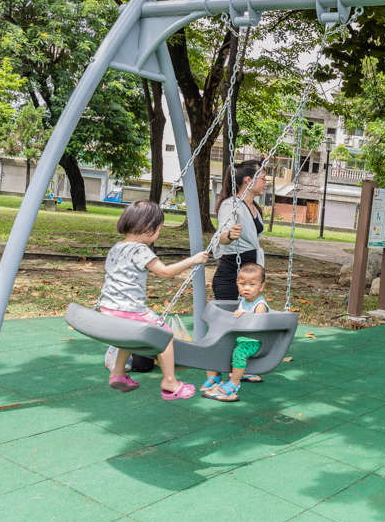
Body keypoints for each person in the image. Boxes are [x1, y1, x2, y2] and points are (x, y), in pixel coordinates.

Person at [99, 200, 207, 400]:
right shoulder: (140, 250)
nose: (159, 232)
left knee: (128, 335)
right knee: (164, 335)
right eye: (159, 229)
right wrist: (193, 260)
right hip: (129, 309)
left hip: (108, 308)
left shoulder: (117, 247)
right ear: (149, 228)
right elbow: (165, 272)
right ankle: (170, 381)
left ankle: (118, 373)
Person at [203, 159, 268, 393]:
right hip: (232, 272)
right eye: (263, 179)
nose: (266, 183)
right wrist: (229, 235)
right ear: (249, 181)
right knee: (227, 325)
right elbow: (219, 237)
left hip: (249, 271)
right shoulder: (231, 205)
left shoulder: (253, 207)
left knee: (246, 322)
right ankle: (214, 373)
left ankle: (239, 367)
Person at [204, 263, 270, 402]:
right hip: (242, 338)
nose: (246, 288)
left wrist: (246, 316)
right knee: (220, 345)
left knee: (239, 352)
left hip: (254, 342)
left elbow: (259, 326)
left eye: (252, 284)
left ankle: (234, 383)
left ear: (261, 286)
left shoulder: (260, 305)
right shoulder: (244, 301)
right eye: (242, 284)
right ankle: (215, 377)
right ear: (237, 283)